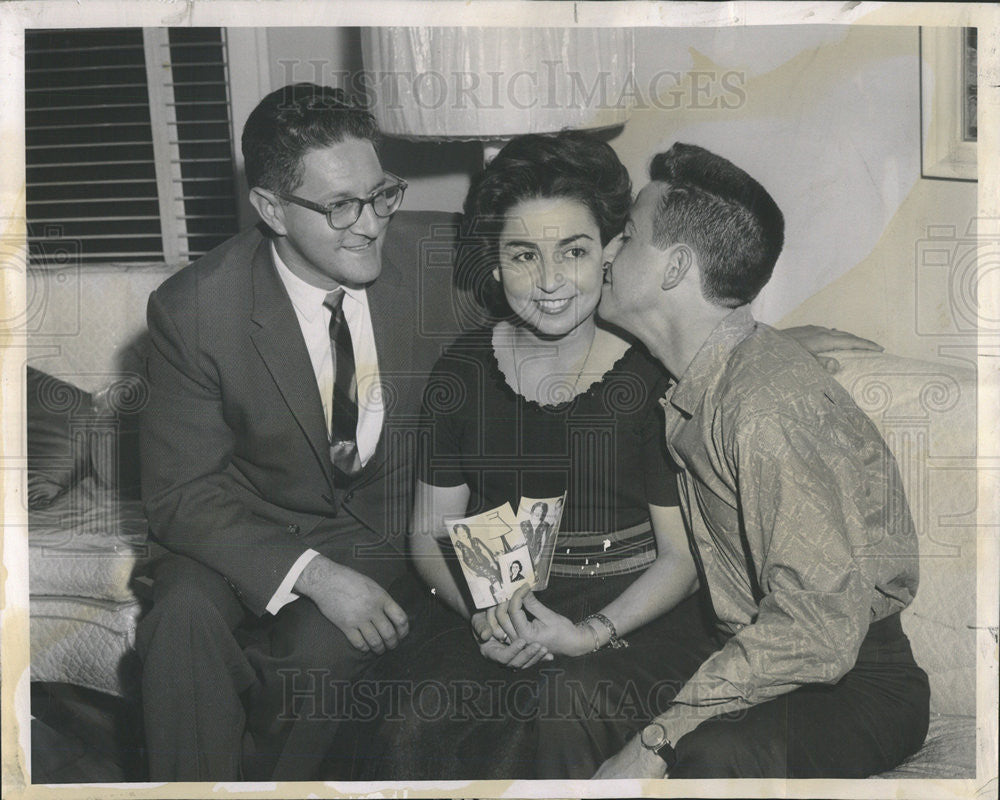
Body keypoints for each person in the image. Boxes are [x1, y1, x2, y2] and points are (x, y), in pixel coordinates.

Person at [348, 131, 879, 779]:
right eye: (522, 255)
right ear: (493, 262)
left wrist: (592, 629)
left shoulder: (651, 375)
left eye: (573, 251)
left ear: (607, 253)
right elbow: (430, 532)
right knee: (409, 718)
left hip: (633, 610)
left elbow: (682, 552)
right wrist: (484, 614)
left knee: (550, 711)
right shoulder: (461, 370)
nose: (548, 283)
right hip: (495, 601)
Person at [135, 83, 455, 781]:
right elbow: (181, 494)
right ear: (271, 210)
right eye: (340, 206)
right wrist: (312, 574)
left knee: (318, 652)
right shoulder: (194, 310)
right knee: (180, 625)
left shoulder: (441, 257)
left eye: (382, 195)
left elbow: (557, 269)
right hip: (240, 526)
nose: (370, 225)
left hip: (377, 530)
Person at [592, 143, 929, 779]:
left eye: (627, 235)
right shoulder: (704, 380)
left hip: (856, 680)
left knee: (707, 754)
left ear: (675, 268)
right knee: (581, 693)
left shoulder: (767, 405)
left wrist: (654, 742)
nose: (607, 252)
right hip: (756, 655)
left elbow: (818, 628)